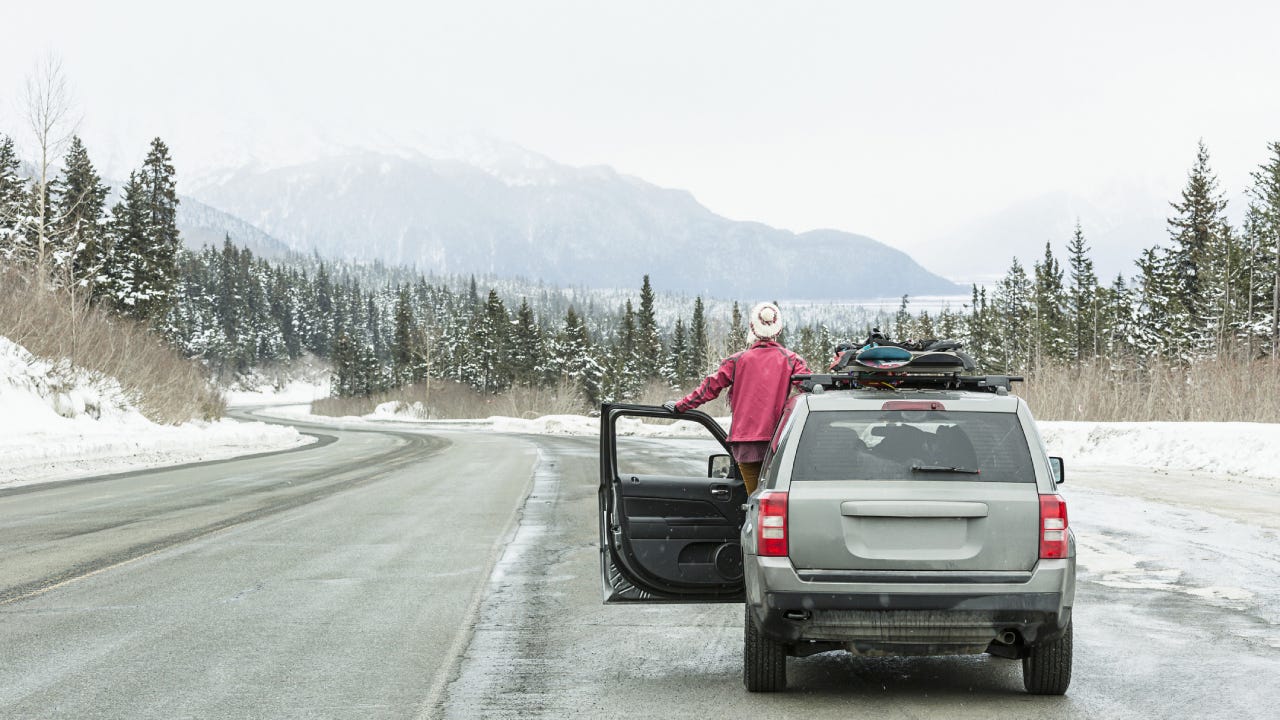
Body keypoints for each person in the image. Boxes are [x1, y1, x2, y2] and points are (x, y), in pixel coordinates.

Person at [664, 302, 810, 494]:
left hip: (745, 443)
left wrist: (680, 406)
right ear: (778, 329)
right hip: (778, 442)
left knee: (754, 497)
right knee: (774, 496)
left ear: (752, 327)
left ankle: (753, 520)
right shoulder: (791, 360)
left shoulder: (737, 361)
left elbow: (708, 388)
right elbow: (811, 387)